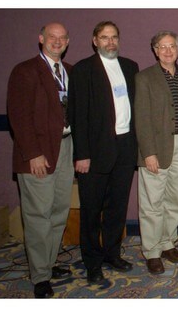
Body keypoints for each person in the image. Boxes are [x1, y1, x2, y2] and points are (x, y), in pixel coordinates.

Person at [68, 21, 140, 285]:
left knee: (117, 207)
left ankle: (112, 254)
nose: (110, 42)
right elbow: (79, 115)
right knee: (91, 210)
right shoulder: (83, 70)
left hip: (125, 148)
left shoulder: (131, 67)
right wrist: (82, 154)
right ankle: (92, 263)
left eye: (114, 37)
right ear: (94, 40)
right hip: (95, 152)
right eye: (105, 37)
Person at [7, 22, 75, 298]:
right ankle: (40, 276)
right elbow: (18, 117)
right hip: (39, 153)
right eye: (52, 37)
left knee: (58, 211)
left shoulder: (69, 72)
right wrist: (33, 153)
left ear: (67, 41)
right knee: (38, 215)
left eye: (62, 38)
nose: (57, 42)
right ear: (41, 39)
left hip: (66, 148)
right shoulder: (25, 71)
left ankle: (48, 262)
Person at [134, 31, 178, 275]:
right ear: (155, 50)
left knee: (175, 200)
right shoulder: (144, 78)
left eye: (172, 46)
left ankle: (167, 243)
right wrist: (148, 152)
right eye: (162, 47)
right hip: (156, 147)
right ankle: (151, 251)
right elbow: (142, 118)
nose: (168, 51)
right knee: (152, 202)